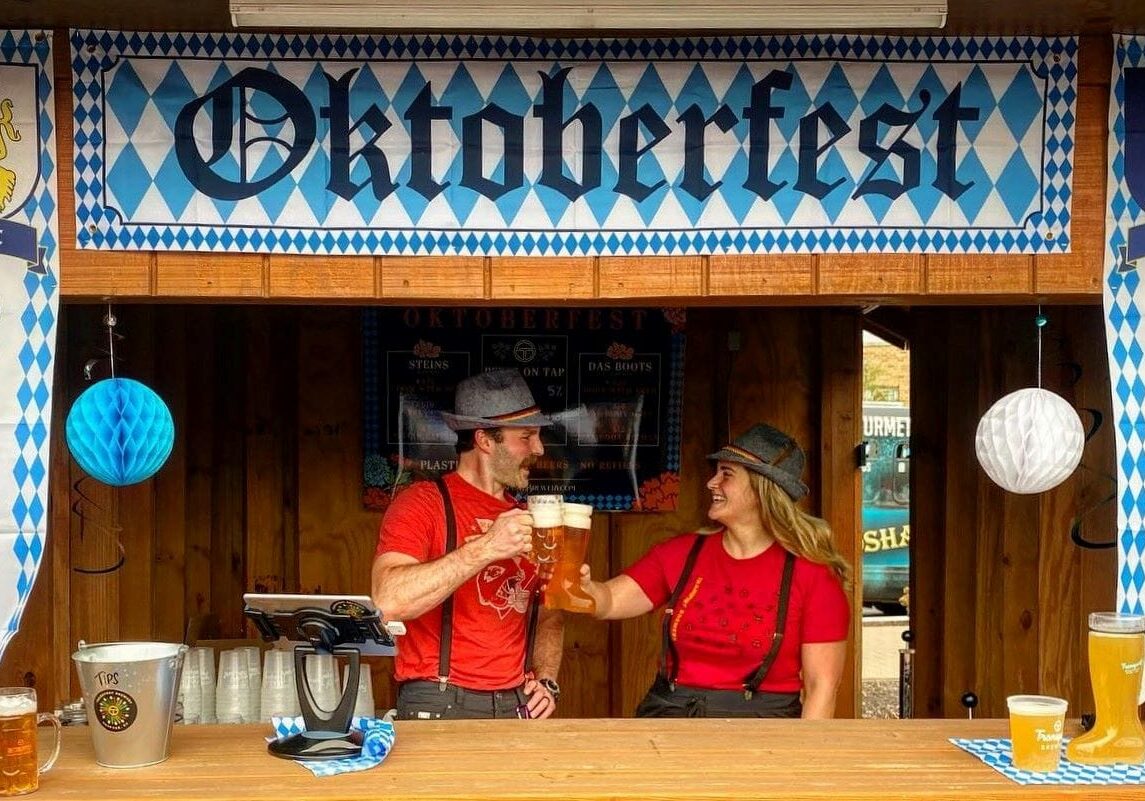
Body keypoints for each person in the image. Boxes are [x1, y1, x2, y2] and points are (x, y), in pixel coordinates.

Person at [578, 423, 851, 718]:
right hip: (672, 718)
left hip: (764, 728)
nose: (711, 482)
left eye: (726, 474)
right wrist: (583, 588)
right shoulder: (681, 553)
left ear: (761, 489)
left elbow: (822, 687)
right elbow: (609, 600)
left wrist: (804, 749)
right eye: (716, 472)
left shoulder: (814, 576)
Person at [372, 369, 564, 720]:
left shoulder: (531, 518)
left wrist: (547, 680)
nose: (538, 449)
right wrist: (487, 547)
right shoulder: (422, 503)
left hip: (515, 703)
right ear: (485, 440)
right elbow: (388, 601)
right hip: (439, 699)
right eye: (526, 437)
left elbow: (550, 613)